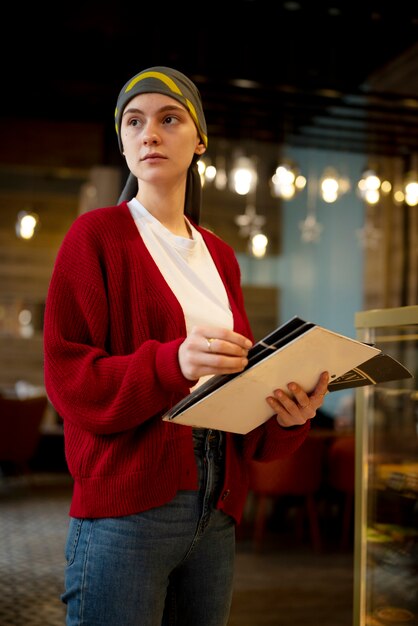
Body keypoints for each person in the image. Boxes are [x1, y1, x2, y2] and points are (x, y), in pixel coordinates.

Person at [43, 66, 329, 626]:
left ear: (199, 139)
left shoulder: (220, 255)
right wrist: (169, 362)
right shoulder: (96, 237)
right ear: (123, 140)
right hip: (126, 511)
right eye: (134, 121)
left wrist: (287, 419)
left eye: (168, 118)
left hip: (218, 507)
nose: (149, 133)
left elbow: (237, 394)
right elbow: (70, 381)